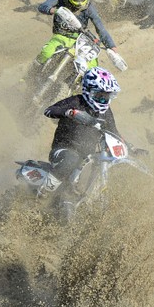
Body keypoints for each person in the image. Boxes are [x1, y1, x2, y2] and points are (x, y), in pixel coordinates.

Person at [42, 67, 121, 217]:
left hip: (87, 158)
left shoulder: (106, 112)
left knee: (102, 165)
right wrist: (70, 113)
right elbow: (49, 110)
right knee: (72, 159)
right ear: (88, 90)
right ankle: (43, 193)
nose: (103, 100)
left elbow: (115, 133)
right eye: (99, 95)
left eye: (107, 96)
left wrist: (133, 148)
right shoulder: (76, 101)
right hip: (63, 150)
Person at [26, 0, 119, 84]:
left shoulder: (89, 6)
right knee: (46, 52)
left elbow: (100, 28)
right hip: (61, 36)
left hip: (81, 40)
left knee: (92, 66)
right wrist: (55, 10)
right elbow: (42, 7)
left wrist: (112, 46)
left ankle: (78, 92)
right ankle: (27, 77)